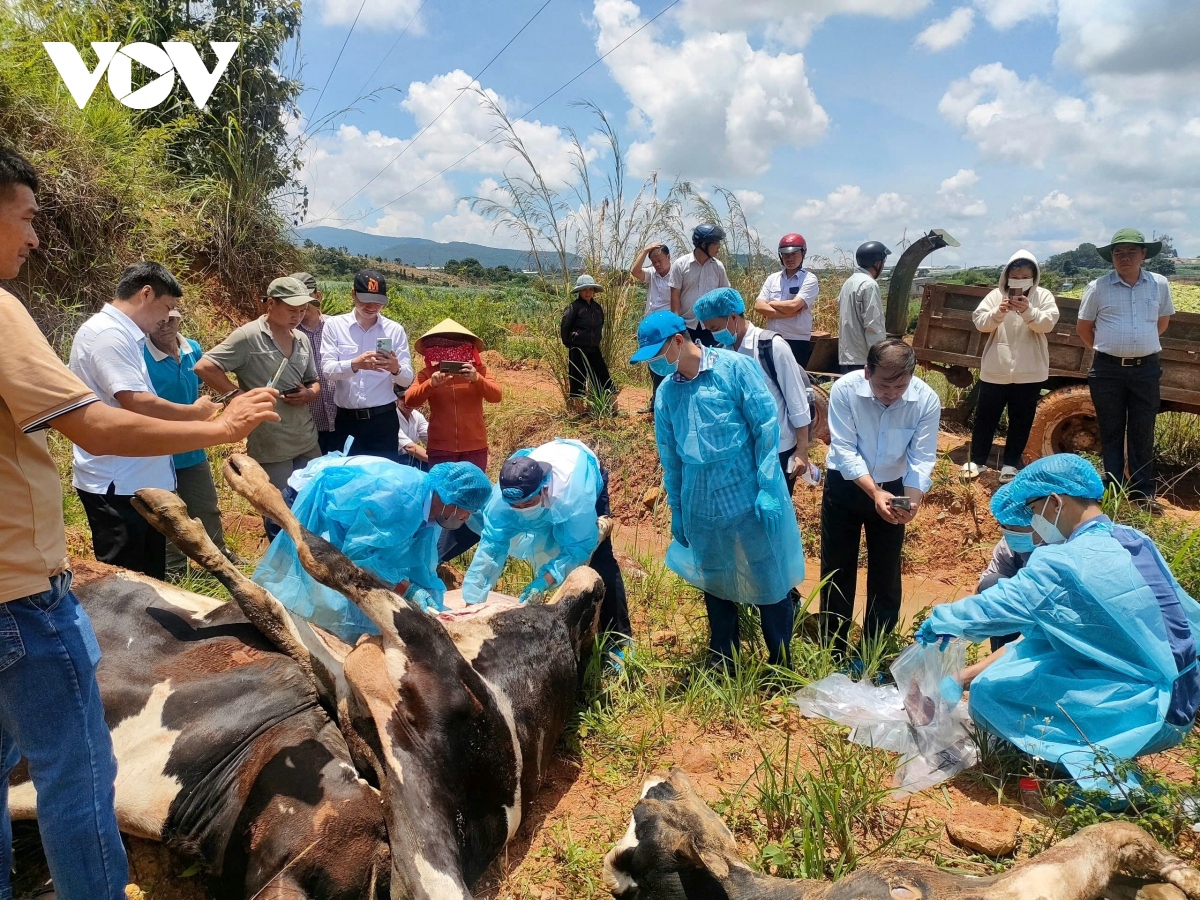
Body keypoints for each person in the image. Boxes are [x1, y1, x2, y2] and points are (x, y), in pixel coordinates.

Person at [0, 146, 278, 900]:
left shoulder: (140, 334)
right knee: (80, 763)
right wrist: (219, 428)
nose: (34, 240)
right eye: (25, 219)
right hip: (19, 588)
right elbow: (102, 423)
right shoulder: (13, 312)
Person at [918, 454, 1200, 801]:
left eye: (1034, 511)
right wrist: (962, 674)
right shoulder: (1133, 539)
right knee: (1036, 658)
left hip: (1146, 712)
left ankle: (1103, 784)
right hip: (1184, 695)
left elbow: (999, 605)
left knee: (991, 694)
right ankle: (1101, 756)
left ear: (1054, 502)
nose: (1035, 523)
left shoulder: (1065, 560)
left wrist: (943, 620)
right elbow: (1037, 638)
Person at [630, 311, 805, 669]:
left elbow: (766, 429)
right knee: (714, 579)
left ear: (679, 341)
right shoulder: (666, 394)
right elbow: (671, 458)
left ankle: (781, 662)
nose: (654, 365)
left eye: (656, 355)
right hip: (700, 501)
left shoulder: (733, 369)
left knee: (767, 576)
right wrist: (678, 510)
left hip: (746, 493)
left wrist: (769, 487)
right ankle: (724, 658)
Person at [69, 262, 222, 579]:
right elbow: (136, 401)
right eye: (166, 307)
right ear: (146, 293)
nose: (166, 317)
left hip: (135, 479)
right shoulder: (108, 335)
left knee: (148, 578)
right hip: (119, 482)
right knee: (126, 584)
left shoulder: (126, 336)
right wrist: (196, 415)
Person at [253, 459, 493, 642]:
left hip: (346, 520)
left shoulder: (431, 508)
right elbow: (358, 554)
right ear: (451, 500)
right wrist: (404, 588)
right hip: (308, 501)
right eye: (467, 512)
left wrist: (435, 603)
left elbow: (421, 563)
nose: (465, 518)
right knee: (314, 591)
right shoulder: (400, 499)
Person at [821, 339, 940, 653]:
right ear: (867, 372)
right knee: (837, 567)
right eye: (884, 385)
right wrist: (874, 491)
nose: (891, 393)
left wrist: (912, 501)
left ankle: (873, 650)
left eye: (900, 386)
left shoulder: (925, 400)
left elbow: (923, 457)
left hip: (895, 488)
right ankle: (832, 647)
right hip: (846, 485)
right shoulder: (845, 391)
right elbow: (844, 449)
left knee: (886, 572)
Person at [461, 440, 632, 644]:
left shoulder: (573, 498)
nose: (522, 509)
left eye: (528, 503)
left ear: (544, 488)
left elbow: (577, 549)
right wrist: (472, 605)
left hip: (585, 474)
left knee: (600, 560)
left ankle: (618, 640)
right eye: (516, 505)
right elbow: (490, 550)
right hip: (547, 485)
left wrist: (544, 581)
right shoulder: (501, 503)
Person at [194, 277, 322, 536]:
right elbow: (205, 366)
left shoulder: (302, 339)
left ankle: (309, 562)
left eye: (302, 310)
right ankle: (279, 566)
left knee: (313, 500)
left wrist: (309, 394)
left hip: (306, 437)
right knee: (278, 509)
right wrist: (238, 397)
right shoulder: (248, 336)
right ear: (271, 304)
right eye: (291, 310)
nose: (297, 316)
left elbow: (314, 380)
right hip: (271, 440)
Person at [1077, 229, 1175, 502]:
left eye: (1132, 251)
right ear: (1111, 257)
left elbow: (1162, 323)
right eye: (1118, 252)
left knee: (1143, 430)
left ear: (1144, 254)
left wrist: (1137, 346)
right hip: (1108, 371)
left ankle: (1142, 493)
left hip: (1146, 369)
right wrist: (1111, 350)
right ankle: (1114, 491)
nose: (1125, 257)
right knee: (1111, 429)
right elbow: (1084, 329)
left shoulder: (1159, 284)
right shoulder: (1098, 287)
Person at [143, 309, 244, 572]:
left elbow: (199, 385)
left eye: (172, 319)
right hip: (159, 446)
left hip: (192, 444)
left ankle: (219, 557)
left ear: (181, 319)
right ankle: (176, 568)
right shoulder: (141, 354)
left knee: (206, 505)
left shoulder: (192, 349)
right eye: (161, 319)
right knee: (167, 509)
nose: (165, 325)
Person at [695, 287, 815, 493]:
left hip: (779, 448)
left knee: (776, 511)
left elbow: (797, 401)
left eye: (715, 327)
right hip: (744, 450)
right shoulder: (723, 353)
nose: (713, 333)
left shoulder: (771, 347)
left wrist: (802, 450)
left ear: (733, 317)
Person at [963, 250, 1059, 483]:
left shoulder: (1043, 296)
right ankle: (976, 461)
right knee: (986, 417)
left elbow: (1046, 325)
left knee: (1021, 419)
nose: (1020, 280)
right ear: (1006, 276)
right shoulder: (995, 296)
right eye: (1015, 275)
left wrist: (1027, 311)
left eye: (1026, 275)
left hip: (1030, 372)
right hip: (996, 369)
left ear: (1034, 277)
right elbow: (980, 323)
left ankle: (1010, 464)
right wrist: (999, 312)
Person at [320, 269, 414, 461]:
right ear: (353, 293)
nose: (372, 307)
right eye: (365, 300)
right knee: (348, 477)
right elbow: (327, 370)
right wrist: (355, 364)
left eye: (378, 302)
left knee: (383, 478)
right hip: (346, 420)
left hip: (383, 419)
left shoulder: (394, 330)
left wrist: (395, 368)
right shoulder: (335, 326)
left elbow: (408, 379)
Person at [405, 318, 501, 470]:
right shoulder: (428, 374)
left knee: (473, 492)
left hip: (474, 447)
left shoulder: (479, 371)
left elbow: (496, 396)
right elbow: (410, 400)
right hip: (440, 448)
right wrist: (431, 384)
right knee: (441, 492)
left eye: (455, 345)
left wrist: (477, 379)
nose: (450, 350)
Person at [755, 234, 820, 368]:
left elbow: (794, 305)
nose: (789, 258)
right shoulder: (773, 278)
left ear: (803, 253)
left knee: (795, 382)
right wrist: (787, 313)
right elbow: (759, 306)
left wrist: (771, 304)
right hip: (772, 338)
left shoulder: (809, 279)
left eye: (794, 254)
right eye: (785, 255)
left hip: (797, 340)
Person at [293, 271, 339, 454]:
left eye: (305, 297)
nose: (299, 304)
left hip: (343, 418)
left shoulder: (338, 327)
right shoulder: (287, 333)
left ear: (318, 296)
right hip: (306, 424)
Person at [668, 223, 730, 347]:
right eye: (715, 243)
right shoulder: (680, 265)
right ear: (703, 244)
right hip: (686, 326)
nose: (719, 247)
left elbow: (724, 295)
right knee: (687, 364)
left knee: (711, 362)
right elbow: (675, 296)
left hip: (712, 326)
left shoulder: (718, 267)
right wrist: (677, 326)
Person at [560, 274, 615, 405]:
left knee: (603, 376)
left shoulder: (597, 308)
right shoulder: (574, 307)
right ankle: (578, 411)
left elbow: (600, 325)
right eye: (585, 289)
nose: (588, 292)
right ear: (579, 291)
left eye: (590, 289)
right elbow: (565, 326)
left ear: (594, 291)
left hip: (594, 348)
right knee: (578, 379)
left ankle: (611, 408)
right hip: (577, 348)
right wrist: (570, 343)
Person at [837, 241, 890, 374]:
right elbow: (873, 325)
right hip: (864, 357)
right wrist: (879, 357)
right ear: (878, 263)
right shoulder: (869, 284)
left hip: (847, 355)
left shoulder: (849, 282)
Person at [631, 242, 672, 410]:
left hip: (667, 326)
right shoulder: (652, 274)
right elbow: (634, 271)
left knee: (668, 364)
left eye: (660, 260)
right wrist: (646, 250)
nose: (657, 265)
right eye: (654, 262)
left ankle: (663, 403)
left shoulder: (677, 274)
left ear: (669, 257)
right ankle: (655, 401)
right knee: (653, 364)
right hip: (650, 326)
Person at [394, 386, 430, 470]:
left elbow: (432, 438)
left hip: (411, 460)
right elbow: (410, 448)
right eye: (403, 398)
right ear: (396, 399)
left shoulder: (417, 416)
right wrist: (438, 461)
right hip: (394, 463)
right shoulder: (391, 418)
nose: (408, 402)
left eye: (411, 397)